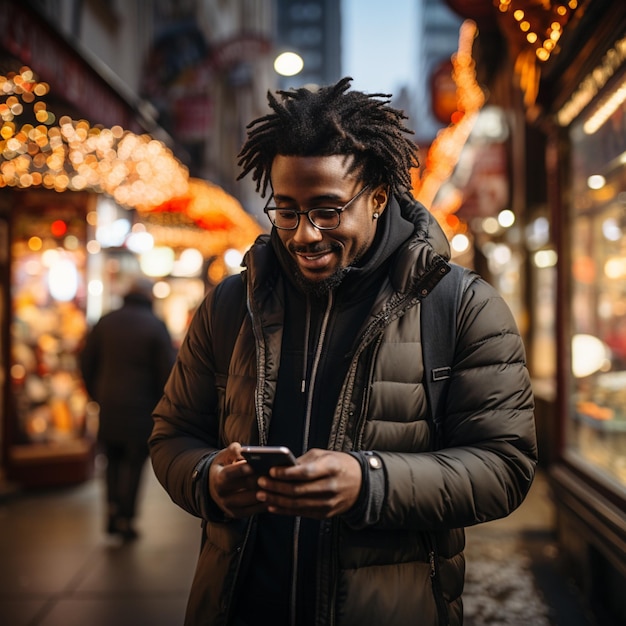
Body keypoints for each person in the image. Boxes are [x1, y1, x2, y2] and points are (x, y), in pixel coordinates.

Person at [149, 77, 537, 626]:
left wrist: (371, 482)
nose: (304, 234)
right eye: (286, 210)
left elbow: (505, 465)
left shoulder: (460, 305)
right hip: (238, 607)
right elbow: (171, 433)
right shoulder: (232, 303)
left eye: (327, 210)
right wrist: (208, 477)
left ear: (379, 197)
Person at [81, 277, 175, 541]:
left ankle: (111, 510)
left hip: (109, 405)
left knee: (111, 461)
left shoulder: (106, 322)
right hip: (142, 408)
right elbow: (167, 372)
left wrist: (96, 394)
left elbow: (86, 361)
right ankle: (126, 517)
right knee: (134, 463)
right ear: (149, 297)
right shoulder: (155, 326)